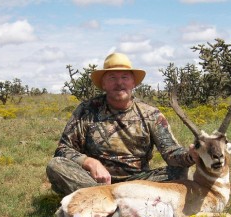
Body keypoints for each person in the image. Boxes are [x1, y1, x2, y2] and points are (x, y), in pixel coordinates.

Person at [46, 52, 196, 196]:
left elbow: (171, 153)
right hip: (94, 181)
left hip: (138, 182)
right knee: (56, 165)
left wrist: (191, 155)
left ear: (133, 83)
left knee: (180, 172)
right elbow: (63, 150)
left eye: (125, 77)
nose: (119, 83)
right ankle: (105, 199)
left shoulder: (151, 114)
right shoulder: (87, 110)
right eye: (112, 78)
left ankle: (104, 202)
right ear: (103, 84)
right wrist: (89, 162)